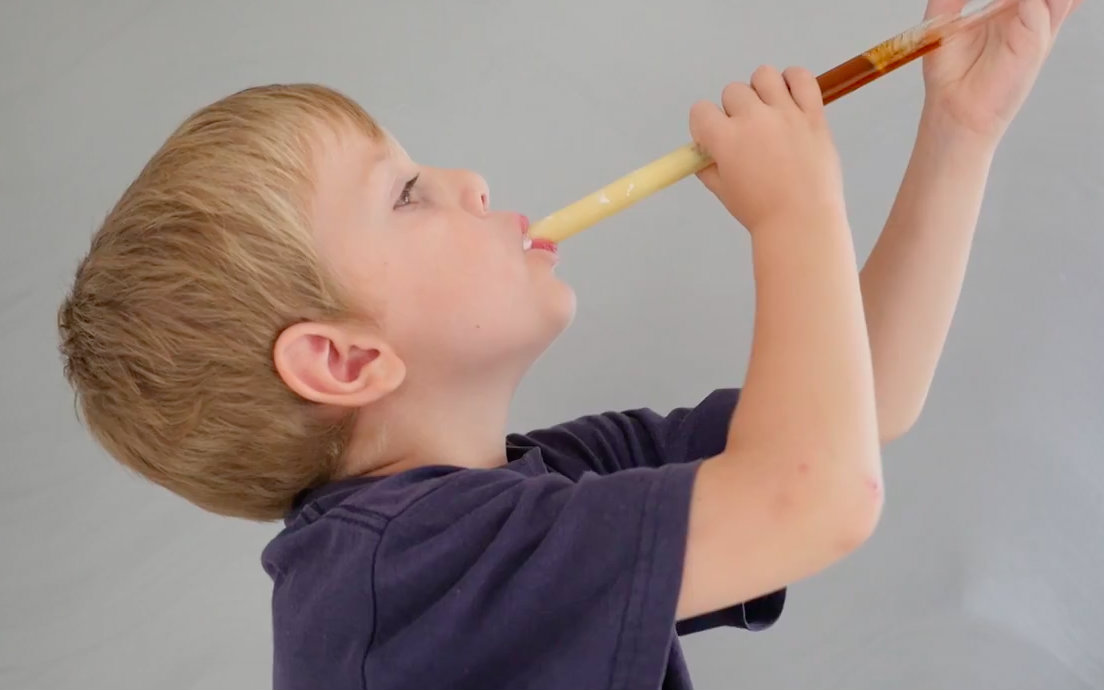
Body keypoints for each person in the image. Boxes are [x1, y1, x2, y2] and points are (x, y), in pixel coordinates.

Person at [56, 0, 1080, 687]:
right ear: (346, 360)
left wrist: (961, 128)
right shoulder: (404, 571)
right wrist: (794, 216)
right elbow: (820, 495)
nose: (471, 184)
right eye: (407, 195)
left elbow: (865, 406)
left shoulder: (530, 489)